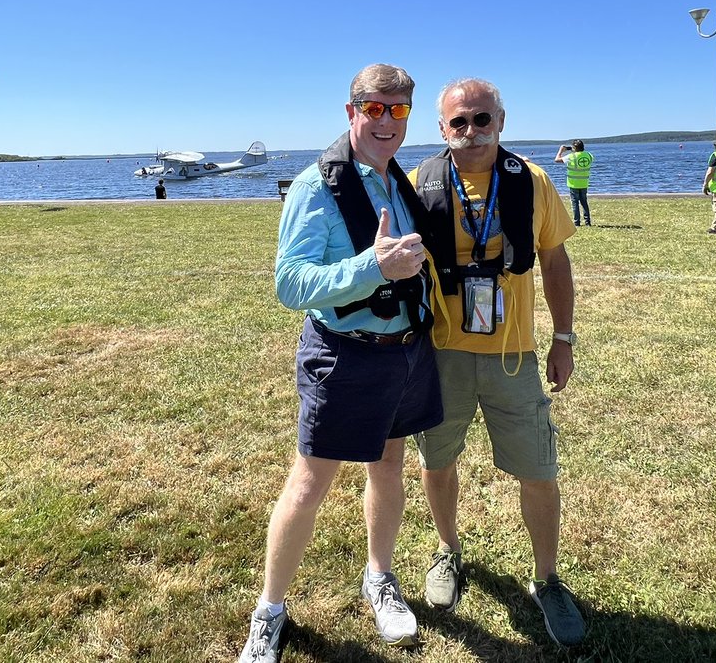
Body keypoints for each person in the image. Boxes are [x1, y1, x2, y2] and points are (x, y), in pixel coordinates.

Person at [238, 64, 442, 663]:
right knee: (309, 483)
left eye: (398, 110)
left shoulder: (396, 183)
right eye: (374, 108)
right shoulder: (315, 188)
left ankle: (379, 579)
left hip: (405, 351)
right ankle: (269, 611)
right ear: (351, 111)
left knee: (389, 465)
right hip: (344, 356)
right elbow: (290, 284)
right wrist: (372, 268)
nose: (386, 121)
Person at [409, 78, 585, 648]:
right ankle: (447, 550)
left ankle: (547, 579)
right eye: (458, 123)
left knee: (538, 469)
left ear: (501, 122)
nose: (470, 132)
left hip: (515, 358)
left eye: (481, 120)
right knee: (438, 460)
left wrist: (563, 339)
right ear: (441, 129)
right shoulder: (421, 182)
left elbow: (555, 264)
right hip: (441, 355)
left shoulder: (530, 181)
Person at [553, 139, 594, 226]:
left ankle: (577, 222)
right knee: (584, 202)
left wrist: (561, 150)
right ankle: (588, 222)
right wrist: (574, 150)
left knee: (575, 203)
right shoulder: (589, 155)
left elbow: (556, 160)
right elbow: (581, 155)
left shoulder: (571, 156)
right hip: (584, 183)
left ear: (574, 148)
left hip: (573, 183)